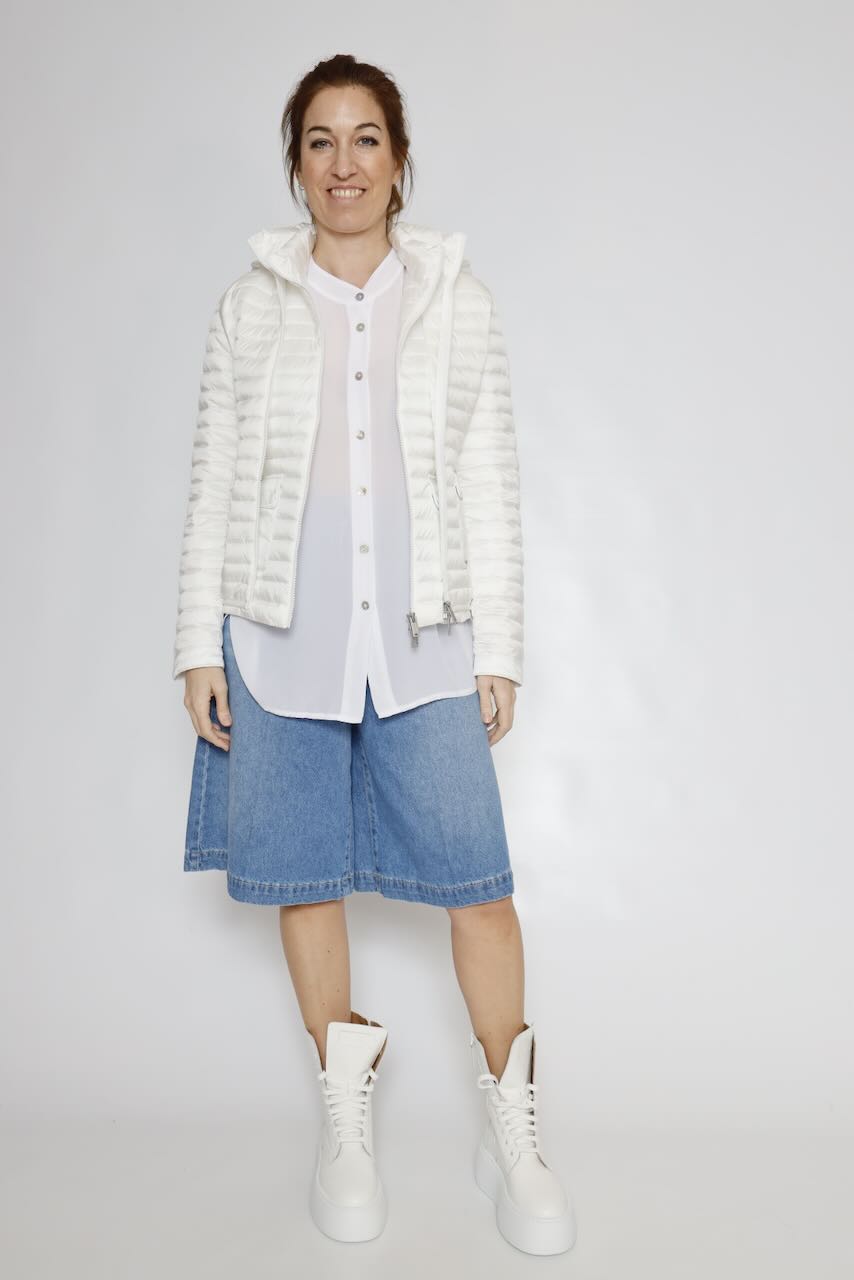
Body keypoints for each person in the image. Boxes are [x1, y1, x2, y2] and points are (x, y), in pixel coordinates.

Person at [172, 53, 576, 1256]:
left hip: (424, 637)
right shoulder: (249, 305)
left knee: (476, 882)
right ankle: (343, 1122)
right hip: (277, 635)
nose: (342, 163)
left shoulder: (456, 299)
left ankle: (511, 1129)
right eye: (319, 141)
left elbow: (487, 478)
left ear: (399, 161)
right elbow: (212, 479)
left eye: (364, 139)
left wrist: (498, 644)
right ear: (296, 165)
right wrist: (197, 643)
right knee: (303, 875)